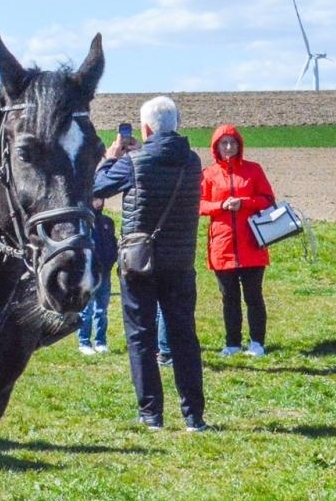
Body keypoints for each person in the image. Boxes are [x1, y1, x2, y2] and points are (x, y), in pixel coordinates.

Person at [94, 96, 208, 431]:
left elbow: (97, 188)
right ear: (177, 124)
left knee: (141, 336)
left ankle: (151, 414)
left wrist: (112, 156)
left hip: (138, 262)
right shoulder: (193, 161)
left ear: (145, 129)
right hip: (180, 262)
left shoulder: (133, 162)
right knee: (184, 337)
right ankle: (193, 416)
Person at [199, 123, 276, 356]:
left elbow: (268, 200)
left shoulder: (254, 170)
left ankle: (257, 343)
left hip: (252, 243)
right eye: (224, 143)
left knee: (254, 296)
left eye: (233, 143)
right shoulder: (208, 174)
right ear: (216, 147)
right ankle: (232, 343)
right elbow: (199, 204)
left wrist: (245, 202)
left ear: (240, 145)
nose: (229, 147)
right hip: (222, 246)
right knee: (229, 298)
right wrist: (220, 205)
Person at [77, 198, 117, 355]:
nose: (99, 202)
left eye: (101, 199)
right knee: (86, 310)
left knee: (101, 310)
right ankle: (84, 342)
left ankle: (101, 341)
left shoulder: (108, 222)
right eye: (96, 198)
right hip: (88, 273)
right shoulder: (83, 225)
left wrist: (111, 262)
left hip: (105, 273)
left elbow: (113, 245)